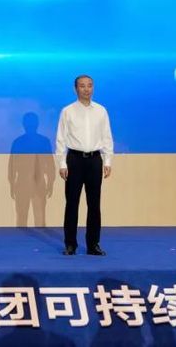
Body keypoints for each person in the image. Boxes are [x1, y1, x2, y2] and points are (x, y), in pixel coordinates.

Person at [55, 75, 113, 256]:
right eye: (82, 86)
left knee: (94, 204)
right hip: (74, 160)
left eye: (89, 85)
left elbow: (107, 137)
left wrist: (108, 160)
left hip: (95, 160)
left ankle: (93, 245)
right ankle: (70, 244)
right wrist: (62, 163)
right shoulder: (68, 111)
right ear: (76, 89)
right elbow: (60, 139)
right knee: (72, 203)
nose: (86, 89)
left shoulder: (101, 111)